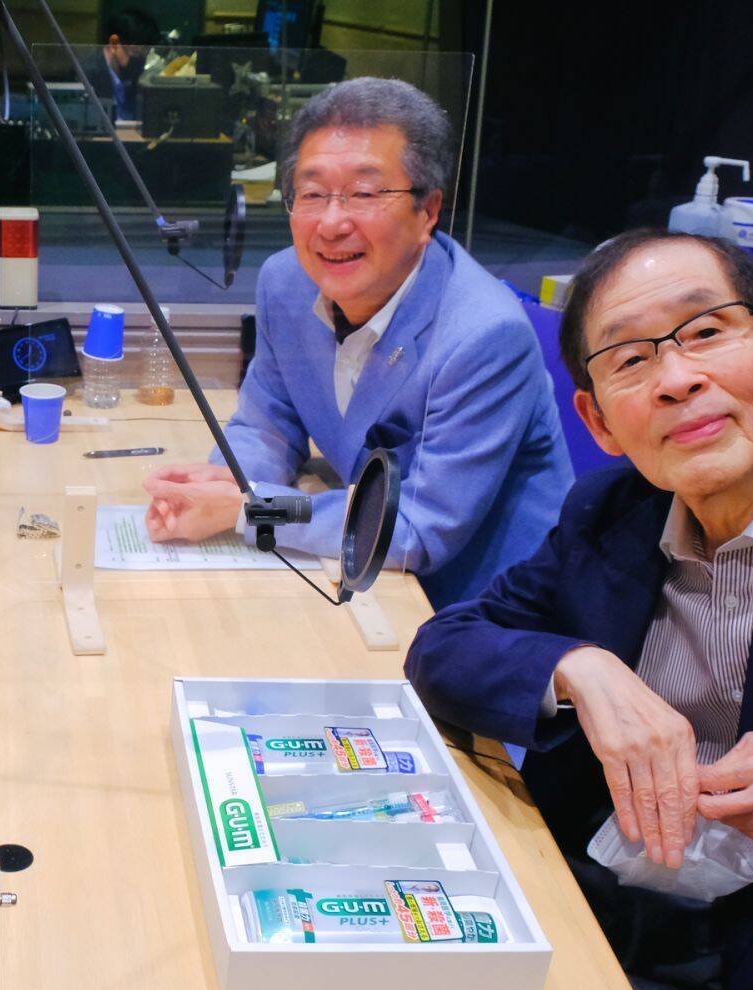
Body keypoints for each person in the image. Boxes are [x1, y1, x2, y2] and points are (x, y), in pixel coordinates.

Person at [406, 229, 753, 990]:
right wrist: (578, 668)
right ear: (597, 419)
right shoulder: (612, 509)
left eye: (706, 331)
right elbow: (446, 644)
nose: (677, 379)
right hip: (601, 903)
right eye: (629, 359)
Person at [142, 78, 572, 608]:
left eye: (365, 194)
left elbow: (417, 528)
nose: (331, 223)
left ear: (427, 211)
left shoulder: (484, 336)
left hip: (481, 607)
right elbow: (268, 423)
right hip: (366, 576)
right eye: (312, 193)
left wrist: (250, 510)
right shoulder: (287, 281)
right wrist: (226, 485)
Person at [81, 8, 158, 122]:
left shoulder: (133, 74)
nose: (140, 60)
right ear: (114, 44)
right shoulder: (87, 73)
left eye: (144, 53)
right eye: (135, 53)